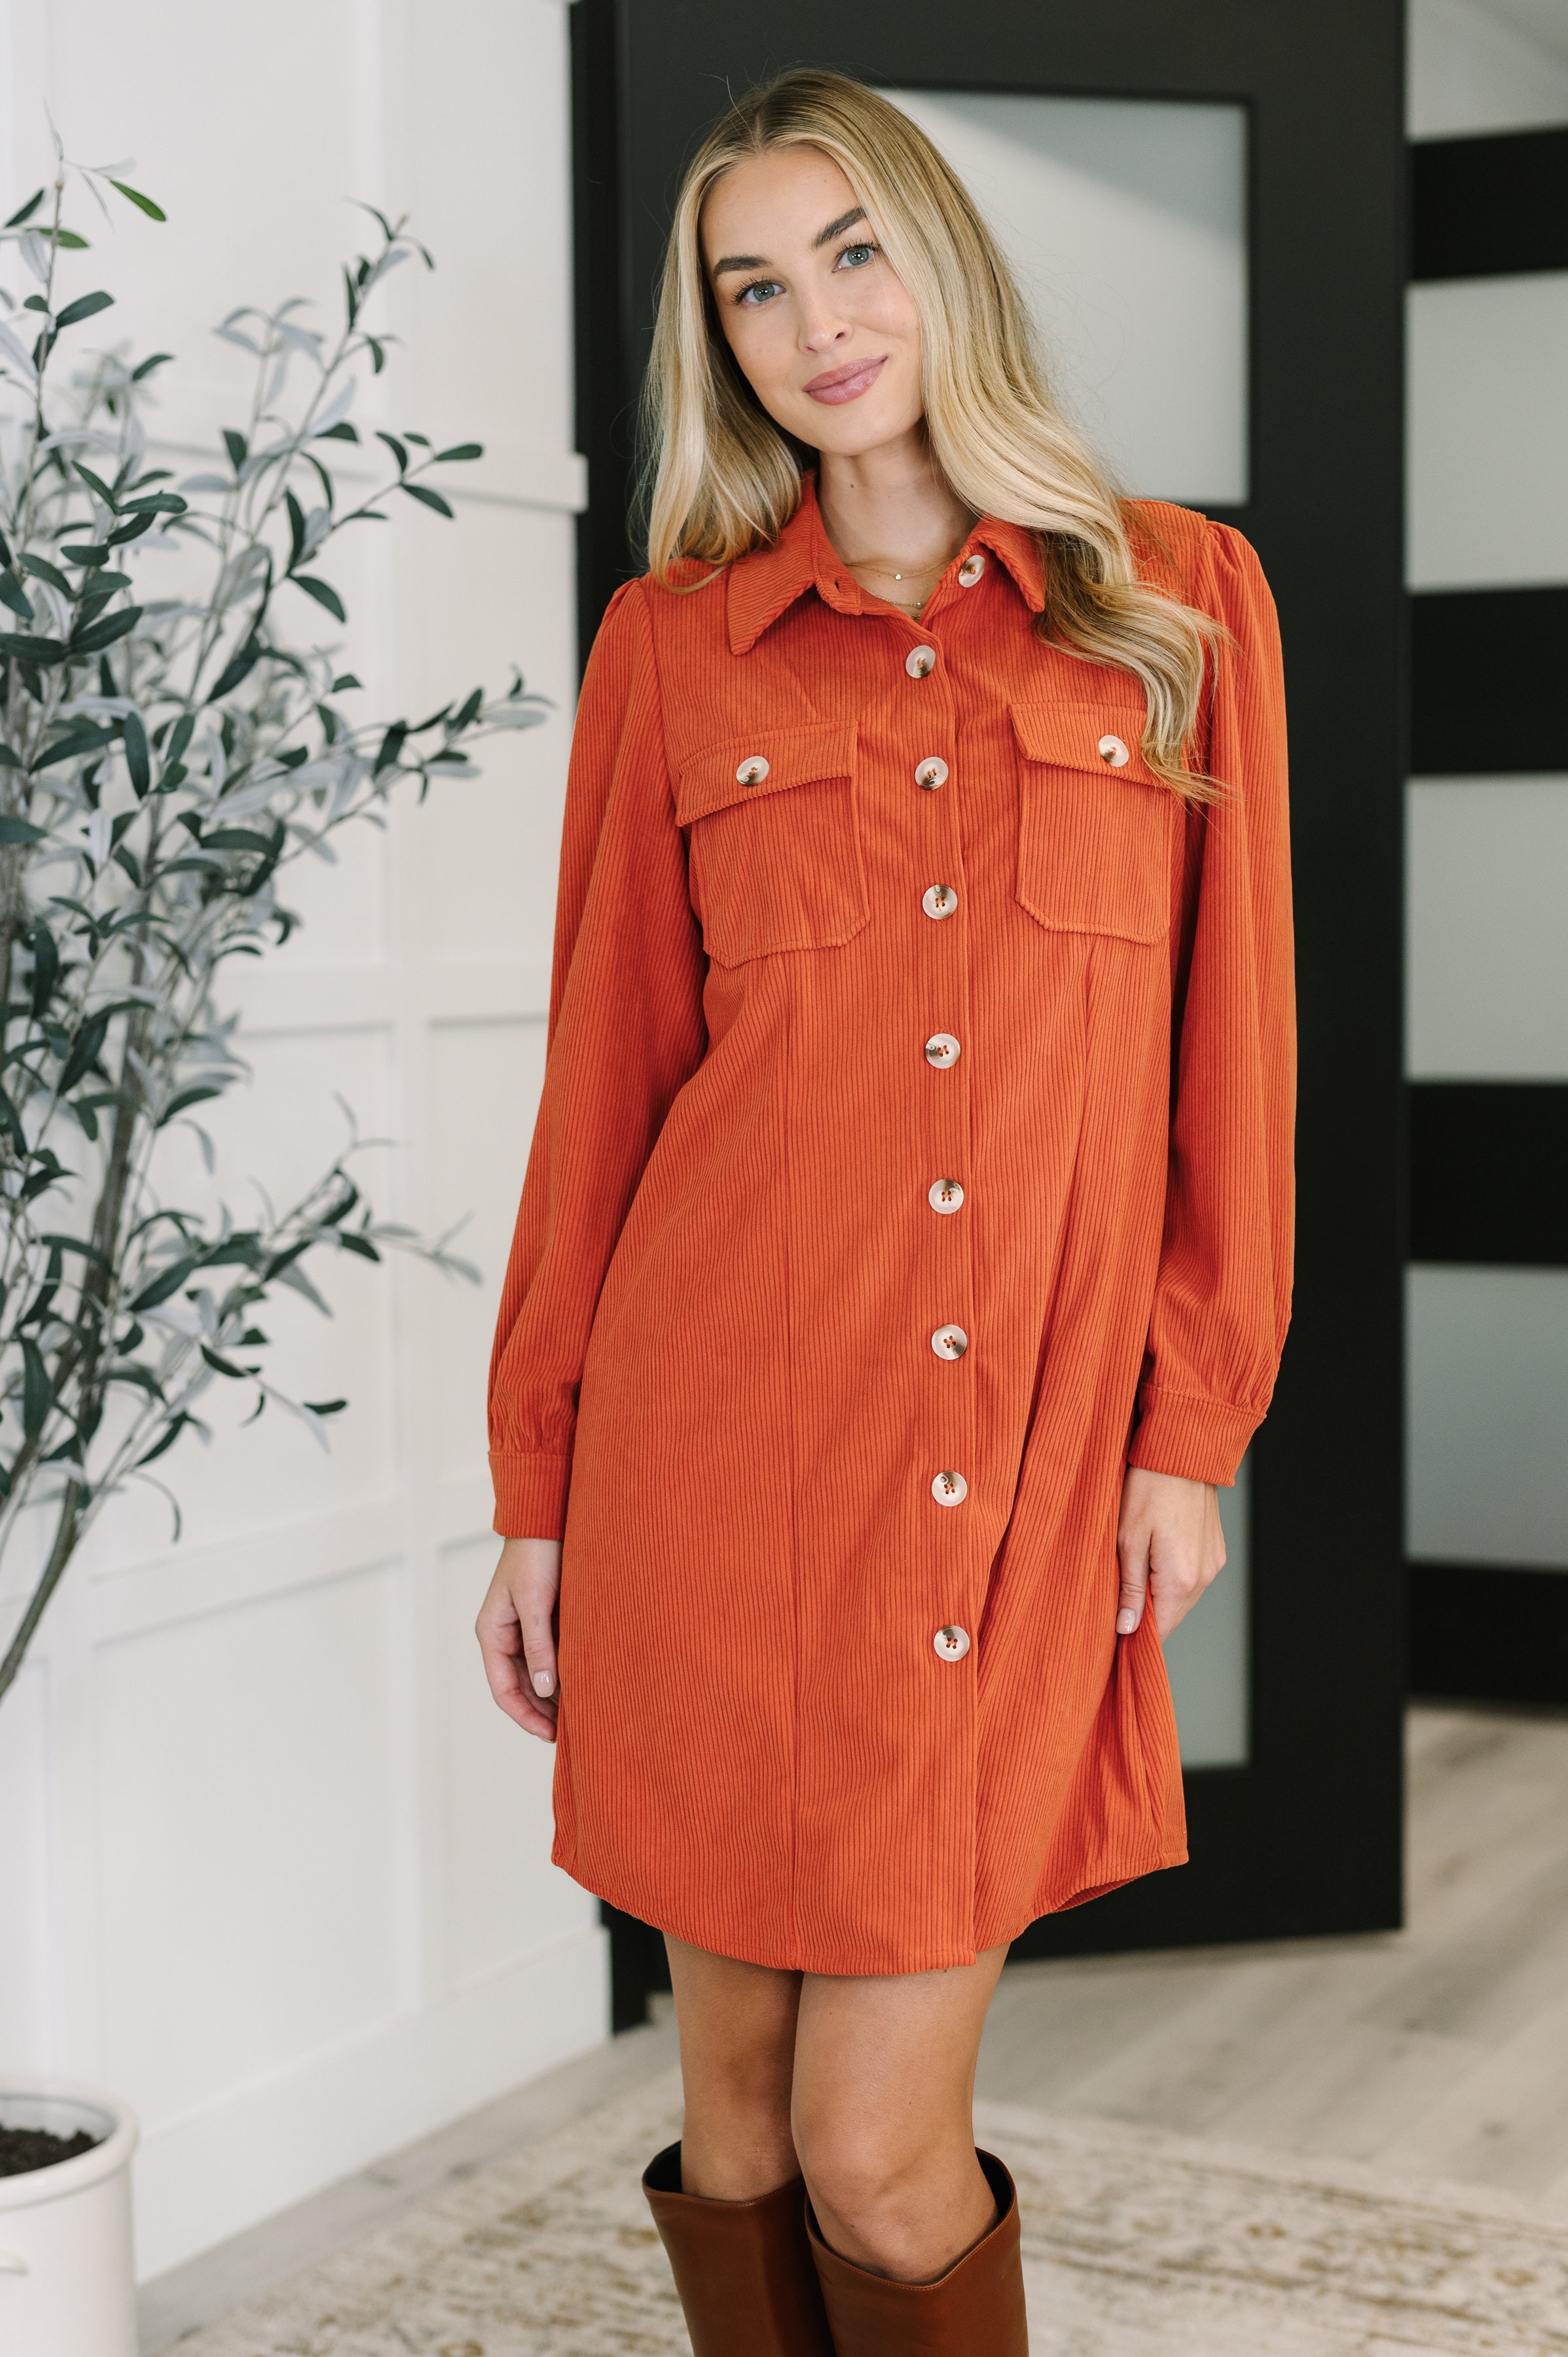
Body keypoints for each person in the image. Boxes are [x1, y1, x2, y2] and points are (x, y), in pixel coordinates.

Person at [475, 67, 1293, 2357]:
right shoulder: (676, 651)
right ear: (715, 340)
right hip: (709, 1458)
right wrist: (538, 1487)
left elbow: (1235, 1065)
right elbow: (601, 1098)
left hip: (1000, 1473)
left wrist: (1184, 1427)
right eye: (754, 284)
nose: (814, 320)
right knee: (732, 2126)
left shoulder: (1180, 603)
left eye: (851, 253)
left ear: (941, 262)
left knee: (870, 2147)